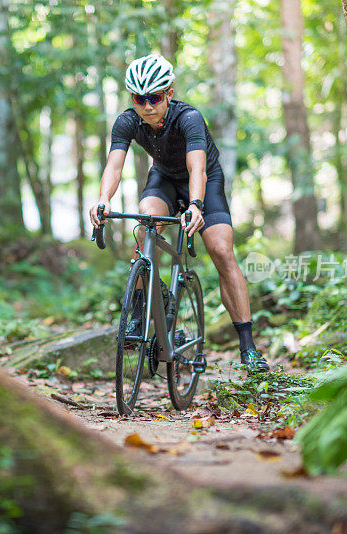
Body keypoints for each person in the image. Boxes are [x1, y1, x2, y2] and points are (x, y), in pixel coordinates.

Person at [88, 54, 270, 373]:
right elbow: (114, 165)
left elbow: (196, 166)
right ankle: (145, 306)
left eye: (154, 98)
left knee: (222, 251)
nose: (147, 106)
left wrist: (197, 205)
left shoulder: (189, 117)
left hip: (205, 182)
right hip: (165, 180)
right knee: (146, 222)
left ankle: (248, 347)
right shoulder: (127, 121)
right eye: (139, 99)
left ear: (169, 93)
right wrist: (103, 199)